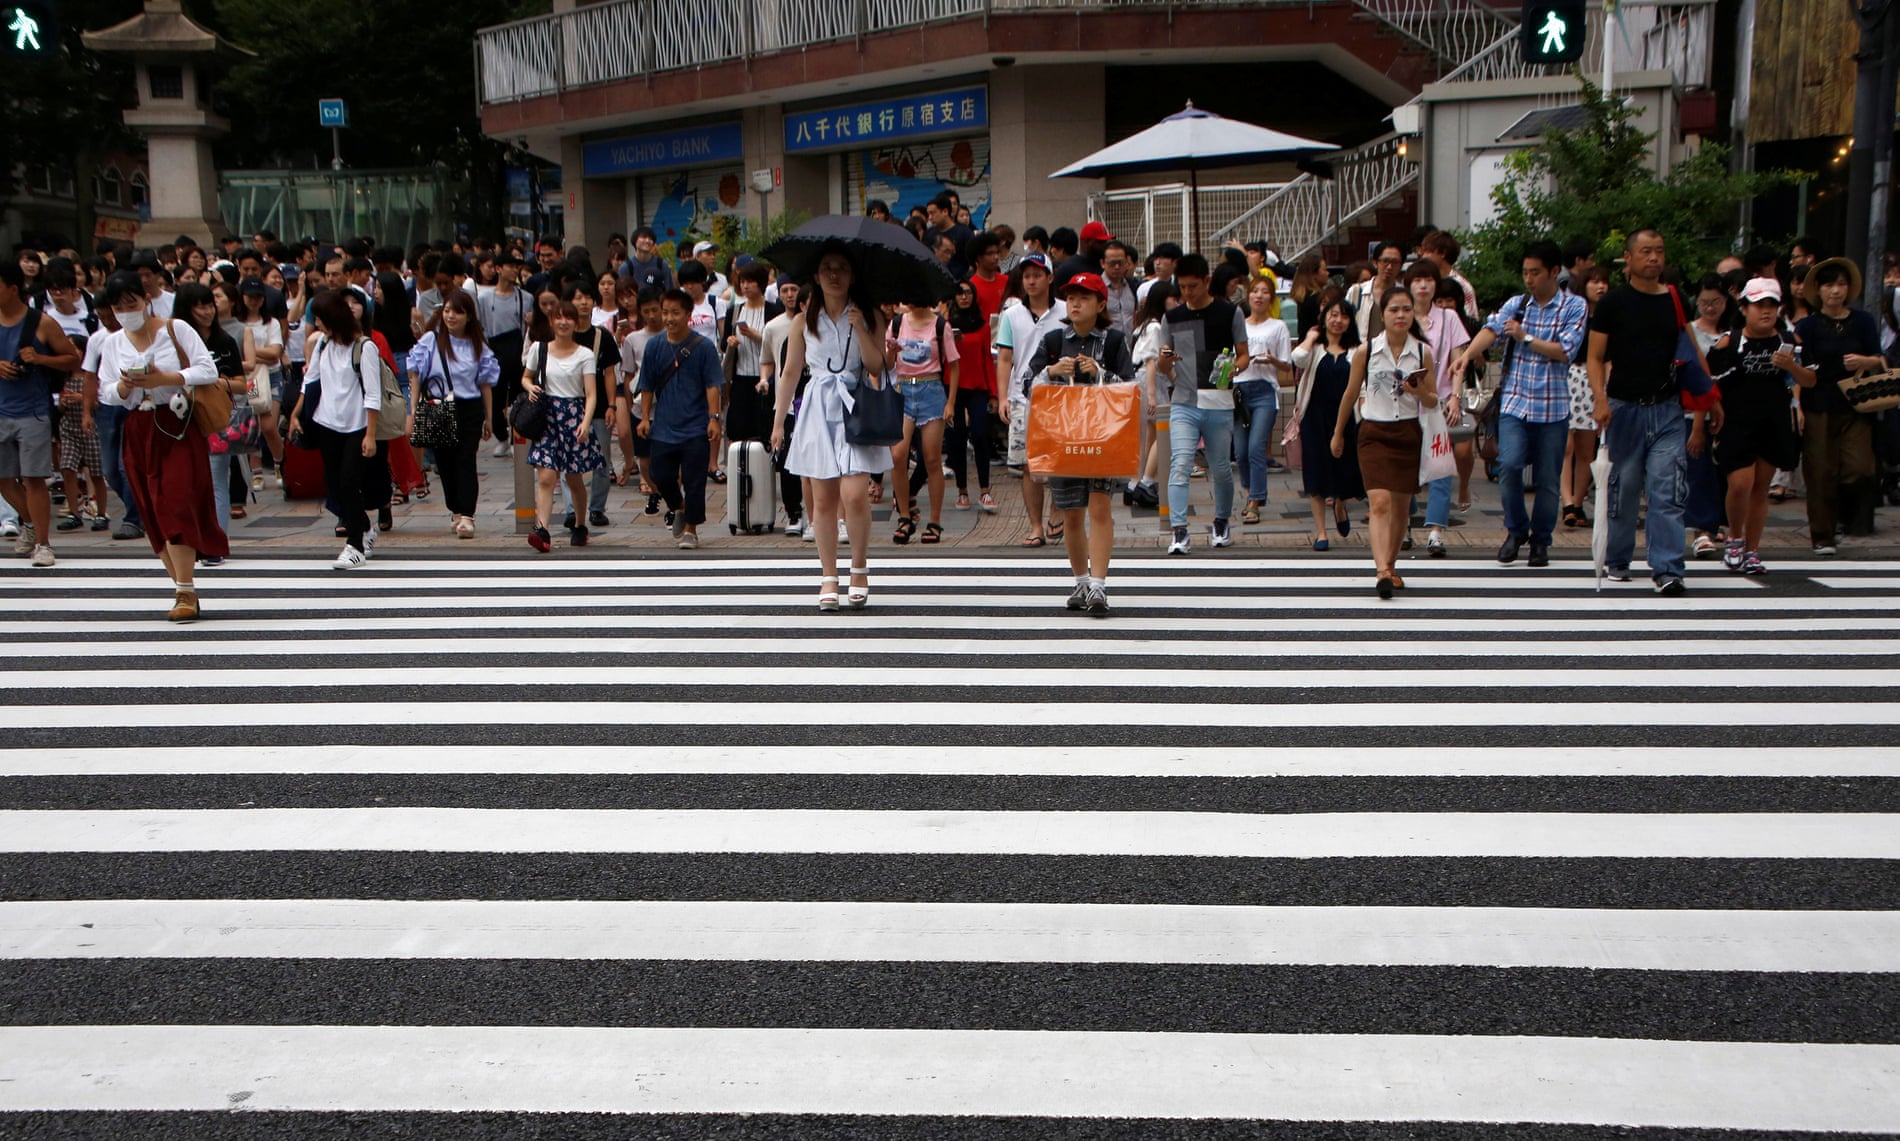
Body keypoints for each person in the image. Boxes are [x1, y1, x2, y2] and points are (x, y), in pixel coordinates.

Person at [93, 271, 223, 617]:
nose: (126, 311)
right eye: (118, 307)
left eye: (131, 303)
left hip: (176, 423)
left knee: (177, 501)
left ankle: (185, 591)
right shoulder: (112, 342)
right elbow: (107, 391)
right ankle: (182, 587)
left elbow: (207, 369)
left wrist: (166, 378)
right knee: (151, 507)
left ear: (146, 299)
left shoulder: (175, 329)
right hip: (138, 425)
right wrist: (124, 387)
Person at [1452, 240, 1588, 568]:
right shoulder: (1518, 303)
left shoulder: (1574, 307)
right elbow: (1491, 329)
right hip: (1515, 402)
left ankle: (1541, 541)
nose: (1529, 279)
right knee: (1509, 465)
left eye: (1535, 272)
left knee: (1547, 479)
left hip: (1553, 407)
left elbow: (1566, 350)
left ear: (1554, 272)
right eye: (1525, 272)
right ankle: (1516, 530)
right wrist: (1468, 355)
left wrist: (1525, 337)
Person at [770, 247, 888, 609]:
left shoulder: (869, 315)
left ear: (853, 276)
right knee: (822, 500)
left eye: (841, 268)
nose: (834, 274)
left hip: (856, 403)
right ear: (816, 277)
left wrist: (861, 328)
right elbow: (790, 372)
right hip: (818, 405)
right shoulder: (802, 320)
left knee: (854, 494)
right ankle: (828, 576)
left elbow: (875, 366)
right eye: (826, 268)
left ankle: (859, 568)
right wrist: (778, 421)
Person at [1587, 229, 1697, 594]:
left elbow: (1691, 351)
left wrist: (1710, 399)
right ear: (1628, 258)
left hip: (1667, 407)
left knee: (1667, 488)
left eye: (1660, 252)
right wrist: (1599, 398)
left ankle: (1668, 568)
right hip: (1624, 406)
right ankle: (1618, 557)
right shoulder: (1614, 303)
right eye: (1646, 252)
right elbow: (1595, 356)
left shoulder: (1677, 300)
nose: (1654, 258)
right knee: (1625, 487)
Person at [1023, 272, 1135, 615]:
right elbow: (1028, 383)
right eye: (1071, 297)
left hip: (1102, 434)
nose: (1075, 303)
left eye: (1084, 297)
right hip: (1063, 434)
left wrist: (1101, 373)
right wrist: (1052, 372)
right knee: (1071, 512)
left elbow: (1130, 387)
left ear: (1101, 304)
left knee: (1100, 507)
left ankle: (1099, 586)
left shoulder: (1114, 341)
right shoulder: (1054, 340)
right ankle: (1081, 581)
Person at [1333, 287, 1434, 597]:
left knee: (1402, 508)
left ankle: (1390, 565)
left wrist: (1416, 390)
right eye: (1394, 309)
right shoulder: (1367, 350)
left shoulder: (1422, 352)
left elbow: (1432, 400)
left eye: (1406, 309)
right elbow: (1350, 393)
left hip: (1407, 432)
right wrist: (1338, 433)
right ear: (1383, 314)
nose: (1401, 315)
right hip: (1373, 431)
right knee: (1379, 502)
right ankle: (1381, 572)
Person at [1709, 277, 1807, 575]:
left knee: (1761, 486)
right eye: (1758, 305)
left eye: (1771, 305)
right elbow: (1709, 382)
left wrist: (1791, 366)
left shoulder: (1790, 341)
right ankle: (1734, 538)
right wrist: (1708, 418)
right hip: (1737, 419)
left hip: (1773, 419)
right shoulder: (1730, 341)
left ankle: (1752, 549)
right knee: (1740, 484)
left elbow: (1810, 379)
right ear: (1744, 308)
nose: (1765, 311)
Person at [1159, 253, 1250, 555]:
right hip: (1184, 400)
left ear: (1207, 282)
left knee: (1221, 467)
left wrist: (1233, 369)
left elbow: (1244, 355)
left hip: (1219, 400)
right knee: (1180, 462)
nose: (1187, 292)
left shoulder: (1229, 313)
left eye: (1193, 286)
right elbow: (1163, 365)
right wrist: (1165, 364)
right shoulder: (1172, 317)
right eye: (1182, 287)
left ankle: (1221, 521)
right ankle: (1179, 529)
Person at [1793, 257, 1885, 555]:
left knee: (1860, 468)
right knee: (1820, 472)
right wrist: (1797, 406)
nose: (1835, 291)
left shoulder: (1862, 321)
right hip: (1818, 402)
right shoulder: (1805, 327)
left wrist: (1865, 361)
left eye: (1841, 285)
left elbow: (1880, 359)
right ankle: (1822, 535)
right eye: (1829, 285)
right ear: (1818, 290)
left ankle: (1845, 514)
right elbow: (1796, 368)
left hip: (1857, 403)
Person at [0, 262, 81, 567]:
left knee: (34, 478)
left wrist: (40, 358)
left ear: (12, 288)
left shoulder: (41, 323)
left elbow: (72, 358)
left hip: (32, 411)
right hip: (1, 409)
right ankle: (31, 524)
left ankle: (43, 544)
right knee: (4, 480)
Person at [406, 289, 498, 538]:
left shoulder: (478, 345)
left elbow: (485, 384)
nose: (451, 316)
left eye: (457, 311)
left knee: (466, 459)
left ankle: (467, 515)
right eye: (447, 311)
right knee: (445, 463)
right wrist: (413, 408)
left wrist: (489, 418)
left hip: (469, 407)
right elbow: (414, 372)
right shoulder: (431, 341)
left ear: (468, 315)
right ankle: (456, 509)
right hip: (438, 406)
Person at [638, 288, 724, 551]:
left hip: (696, 425)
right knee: (659, 474)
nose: (669, 318)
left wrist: (714, 418)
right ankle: (679, 507)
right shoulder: (654, 346)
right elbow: (647, 384)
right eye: (665, 312)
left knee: (694, 479)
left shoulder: (704, 347)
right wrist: (644, 418)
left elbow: (713, 386)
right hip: (664, 425)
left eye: (675, 312)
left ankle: (691, 529)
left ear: (688, 314)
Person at [994, 253, 1066, 545]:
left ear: (1050, 277)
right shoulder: (1011, 315)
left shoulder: (1064, 311)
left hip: (1059, 397)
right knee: (1028, 466)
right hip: (1022, 397)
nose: (1032, 281)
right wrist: (1002, 397)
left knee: (1060, 464)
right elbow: (1005, 358)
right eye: (1026, 276)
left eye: (1037, 275)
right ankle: (1035, 526)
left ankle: (1056, 512)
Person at [174, 282, 251, 554]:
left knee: (217, 480)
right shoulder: (174, 342)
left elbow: (243, 384)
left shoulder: (224, 341)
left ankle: (215, 543)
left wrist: (218, 382)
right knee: (187, 483)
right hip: (180, 419)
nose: (207, 312)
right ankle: (192, 540)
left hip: (215, 418)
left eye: (210, 305)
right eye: (200, 306)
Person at [520, 300, 603, 551]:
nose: (563, 322)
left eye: (568, 318)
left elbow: (591, 394)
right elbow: (526, 376)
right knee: (546, 475)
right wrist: (529, 387)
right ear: (551, 321)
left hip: (574, 415)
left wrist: (586, 423)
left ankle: (579, 524)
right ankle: (541, 528)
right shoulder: (539, 349)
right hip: (547, 416)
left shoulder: (585, 354)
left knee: (574, 478)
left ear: (576, 323)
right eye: (558, 317)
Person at [1407, 262, 1470, 555]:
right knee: (1405, 467)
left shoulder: (1449, 317)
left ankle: (1435, 532)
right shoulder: (1401, 316)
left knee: (1441, 468)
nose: (1423, 286)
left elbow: (1458, 360)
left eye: (1428, 280)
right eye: (1417, 280)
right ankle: (1404, 525)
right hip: (1406, 403)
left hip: (1440, 402)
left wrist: (1456, 395)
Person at [1292, 297, 1364, 550]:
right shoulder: (1315, 348)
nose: (1337, 320)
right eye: (1333, 315)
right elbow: (1297, 357)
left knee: (1346, 468)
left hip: (1347, 418)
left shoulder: (1358, 349)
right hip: (1315, 417)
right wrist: (1311, 337)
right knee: (1316, 471)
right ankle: (1321, 532)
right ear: (1324, 318)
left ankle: (1342, 504)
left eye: (1343, 316)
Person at [42, 264, 109, 535]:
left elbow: (97, 397)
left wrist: (83, 400)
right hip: (67, 426)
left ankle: (100, 511)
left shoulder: (90, 323)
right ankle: (74, 509)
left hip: (90, 426)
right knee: (67, 467)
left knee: (96, 470)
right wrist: (63, 402)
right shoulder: (62, 378)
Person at [558, 282, 622, 533]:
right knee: (567, 460)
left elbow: (609, 373)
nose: (583, 302)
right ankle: (572, 510)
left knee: (602, 460)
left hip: (597, 407)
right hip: (568, 405)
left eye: (587, 297)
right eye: (577, 297)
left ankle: (596, 508)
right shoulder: (563, 335)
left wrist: (612, 405)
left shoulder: (601, 336)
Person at [1232, 272, 1294, 526]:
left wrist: (1271, 360)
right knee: (1241, 451)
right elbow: (1230, 358)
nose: (1259, 296)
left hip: (1265, 389)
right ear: (1248, 296)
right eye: (1255, 291)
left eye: (1265, 292)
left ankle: (1255, 500)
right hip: (1238, 390)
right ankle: (1250, 492)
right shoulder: (1238, 325)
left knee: (1257, 446)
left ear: (1272, 299)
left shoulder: (1278, 326)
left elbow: (1287, 366)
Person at [1684, 273, 1735, 557]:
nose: (1710, 307)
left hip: (1732, 411)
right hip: (1696, 413)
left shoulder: (1735, 333)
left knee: (1726, 473)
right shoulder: (1690, 331)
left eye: (1715, 301)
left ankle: (1724, 526)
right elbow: (1697, 377)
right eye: (1704, 301)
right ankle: (1701, 531)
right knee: (1699, 472)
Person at [1559, 266, 1611, 532]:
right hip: (1568, 377)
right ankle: (1567, 502)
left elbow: (1609, 357)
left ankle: (1577, 503)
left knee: (1586, 450)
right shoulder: (1573, 313)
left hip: (1595, 382)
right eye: (1595, 282)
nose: (1600, 287)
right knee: (1565, 446)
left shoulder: (1611, 316)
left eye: (1604, 282)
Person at [760, 279, 810, 535]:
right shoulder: (774, 327)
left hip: (816, 403)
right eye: (785, 290)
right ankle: (794, 513)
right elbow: (776, 365)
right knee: (789, 460)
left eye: (794, 289)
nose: (790, 295)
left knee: (816, 463)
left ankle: (818, 515)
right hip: (789, 402)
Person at [944, 278, 996, 513]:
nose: (964, 297)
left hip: (977, 386)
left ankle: (985, 490)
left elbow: (988, 359)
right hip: (951, 386)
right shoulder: (945, 325)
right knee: (955, 437)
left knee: (980, 434)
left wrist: (994, 393)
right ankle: (962, 490)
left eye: (968, 293)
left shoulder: (983, 326)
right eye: (959, 293)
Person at [477, 252, 532, 458]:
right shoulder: (484, 299)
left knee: (520, 397)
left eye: (516, 266)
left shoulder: (525, 298)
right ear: (498, 269)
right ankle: (500, 436)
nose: (514, 270)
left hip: (517, 350)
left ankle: (518, 436)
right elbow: (480, 327)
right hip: (494, 349)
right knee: (495, 397)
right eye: (509, 266)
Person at [1127, 281, 1178, 508]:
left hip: (1142, 381)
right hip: (1150, 382)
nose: (1176, 303)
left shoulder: (1143, 325)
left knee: (1148, 435)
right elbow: (1150, 361)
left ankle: (1134, 484)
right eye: (1173, 298)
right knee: (1163, 432)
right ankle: (1147, 481)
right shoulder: (1156, 327)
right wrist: (1153, 395)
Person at [1346, 241, 1404, 342]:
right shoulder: (1357, 291)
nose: (1389, 266)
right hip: (1362, 353)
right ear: (1375, 262)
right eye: (1385, 261)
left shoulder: (1404, 294)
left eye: (1395, 262)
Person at [619, 227, 674, 293]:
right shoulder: (626, 267)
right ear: (635, 241)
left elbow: (669, 291)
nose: (647, 241)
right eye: (644, 237)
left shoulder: (662, 265)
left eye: (650, 239)